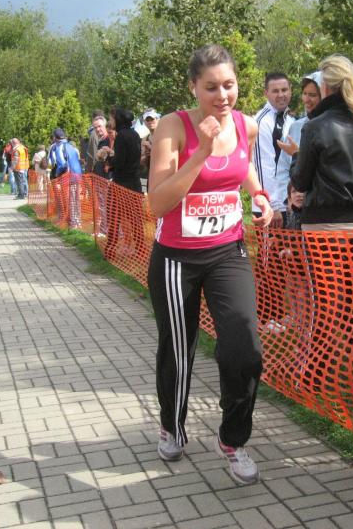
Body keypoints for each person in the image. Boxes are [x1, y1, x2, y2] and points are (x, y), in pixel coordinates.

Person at [147, 44, 273, 485]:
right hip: (176, 258)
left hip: (227, 251)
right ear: (193, 88)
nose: (222, 96)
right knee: (178, 351)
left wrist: (259, 196)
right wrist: (200, 150)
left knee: (244, 348)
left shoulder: (246, 124)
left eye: (229, 85)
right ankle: (172, 426)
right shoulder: (173, 127)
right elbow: (157, 203)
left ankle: (233, 440)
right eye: (211, 87)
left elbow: (244, 168)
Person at [290, 55, 353, 230]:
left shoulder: (315, 127)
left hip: (326, 223)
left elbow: (300, 182)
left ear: (324, 86)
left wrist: (296, 155)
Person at [254, 72, 294, 225]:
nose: (281, 95)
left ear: (290, 90)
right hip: (270, 207)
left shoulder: (290, 120)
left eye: (284, 90)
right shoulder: (262, 122)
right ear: (266, 93)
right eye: (275, 91)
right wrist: (273, 206)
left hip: (290, 203)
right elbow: (263, 167)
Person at [104, 108, 144, 260]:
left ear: (118, 120)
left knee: (114, 218)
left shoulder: (121, 136)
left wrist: (108, 159)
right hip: (135, 182)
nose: (110, 122)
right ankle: (141, 251)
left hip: (121, 184)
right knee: (136, 220)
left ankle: (110, 251)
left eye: (112, 119)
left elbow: (120, 162)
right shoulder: (135, 134)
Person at [48, 128, 83, 228]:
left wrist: (57, 174)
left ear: (55, 137)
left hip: (67, 177)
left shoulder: (58, 147)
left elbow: (62, 164)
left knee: (70, 200)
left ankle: (73, 223)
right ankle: (78, 221)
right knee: (76, 200)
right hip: (77, 175)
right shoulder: (71, 147)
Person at [140, 108, 160, 191]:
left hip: (162, 175)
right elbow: (142, 162)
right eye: (147, 120)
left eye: (152, 119)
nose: (150, 122)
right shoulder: (145, 139)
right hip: (149, 176)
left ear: (158, 119)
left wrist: (151, 148)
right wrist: (144, 155)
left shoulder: (164, 136)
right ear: (144, 122)